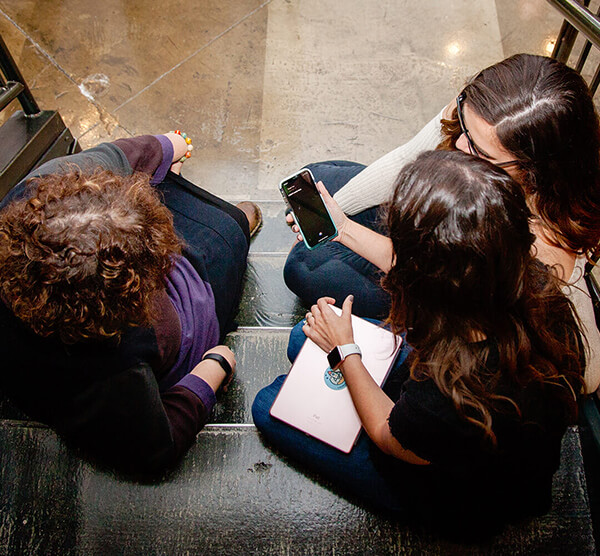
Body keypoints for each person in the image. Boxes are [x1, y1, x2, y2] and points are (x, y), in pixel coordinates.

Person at [254, 150, 584, 537]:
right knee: (301, 340)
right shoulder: (530, 287)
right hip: (477, 434)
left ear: (428, 285)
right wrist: (341, 227)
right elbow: (428, 266)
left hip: (453, 494)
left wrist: (344, 352)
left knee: (267, 403)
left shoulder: (452, 395)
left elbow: (386, 434)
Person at [283, 53, 600, 393]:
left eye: (479, 152)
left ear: (535, 169)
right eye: (464, 125)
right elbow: (408, 158)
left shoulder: (532, 245)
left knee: (304, 267)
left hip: (442, 288)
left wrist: (344, 230)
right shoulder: (485, 113)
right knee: (319, 179)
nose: (460, 145)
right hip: (435, 229)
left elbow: (429, 273)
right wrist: (336, 211)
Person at [0, 131, 261, 473]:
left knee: (161, 178)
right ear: (133, 296)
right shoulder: (114, 364)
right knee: (224, 232)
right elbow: (156, 448)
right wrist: (215, 367)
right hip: (185, 322)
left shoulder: (29, 195)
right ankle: (236, 225)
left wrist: (170, 144)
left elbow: (118, 154)